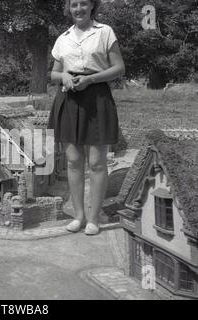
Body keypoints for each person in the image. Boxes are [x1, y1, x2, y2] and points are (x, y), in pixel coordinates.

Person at [48, 0, 125, 235]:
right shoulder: (63, 38)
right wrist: (64, 77)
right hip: (69, 99)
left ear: (92, 6)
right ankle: (79, 216)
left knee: (97, 163)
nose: (78, 9)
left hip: (97, 98)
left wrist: (91, 79)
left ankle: (93, 218)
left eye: (83, 3)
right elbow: (53, 73)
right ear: (69, 9)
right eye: (73, 5)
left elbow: (119, 68)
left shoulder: (105, 32)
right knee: (72, 161)